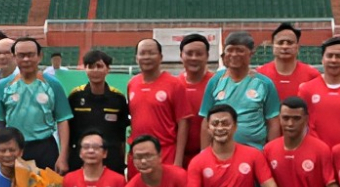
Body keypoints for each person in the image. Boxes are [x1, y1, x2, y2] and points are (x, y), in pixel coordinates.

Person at [0, 37, 72, 172]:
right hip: (13, 150)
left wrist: (62, 157)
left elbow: (62, 120)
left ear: (39, 56)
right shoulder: (4, 85)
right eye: (21, 55)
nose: (26, 59)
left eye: (30, 55)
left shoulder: (53, 84)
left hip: (45, 148)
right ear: (14, 57)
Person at [202, 32, 282, 150]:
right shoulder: (215, 81)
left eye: (239, 50)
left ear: (251, 53)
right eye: (230, 50)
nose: (234, 54)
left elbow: (273, 121)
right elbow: (205, 120)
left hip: (255, 151)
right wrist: (204, 154)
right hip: (221, 152)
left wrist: (272, 153)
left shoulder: (265, 84)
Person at [127, 38, 193, 167]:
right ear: (136, 58)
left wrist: (178, 160)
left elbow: (183, 123)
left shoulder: (175, 84)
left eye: (151, 53)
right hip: (138, 154)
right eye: (143, 53)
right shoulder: (132, 84)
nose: (147, 57)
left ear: (161, 57)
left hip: (165, 153)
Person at [66, 51, 129, 175]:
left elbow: (122, 134)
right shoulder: (75, 96)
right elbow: (68, 130)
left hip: (111, 158)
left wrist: (121, 159)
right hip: (81, 157)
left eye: (99, 66)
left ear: (108, 69)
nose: (95, 70)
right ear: (85, 69)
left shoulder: (118, 98)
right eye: (90, 66)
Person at [297, 36, 340, 148]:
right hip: (316, 153)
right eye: (329, 56)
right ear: (322, 59)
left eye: (339, 56)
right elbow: (298, 125)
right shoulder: (307, 89)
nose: (333, 60)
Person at [263, 24, 321, 108]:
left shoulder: (312, 75)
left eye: (290, 43)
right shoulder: (260, 75)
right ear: (273, 46)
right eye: (280, 43)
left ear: (298, 47)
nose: (285, 46)